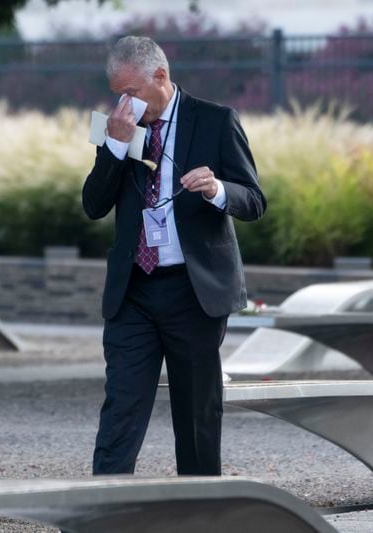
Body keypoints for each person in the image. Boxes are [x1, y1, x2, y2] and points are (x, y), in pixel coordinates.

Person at [83, 36, 266, 476]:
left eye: (131, 92)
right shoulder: (118, 127)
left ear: (160, 76)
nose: (123, 103)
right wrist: (113, 146)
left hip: (193, 290)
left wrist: (218, 188)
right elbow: (94, 204)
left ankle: (200, 514)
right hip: (134, 292)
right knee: (121, 408)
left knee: (196, 413)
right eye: (117, 94)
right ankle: (102, 514)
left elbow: (254, 200)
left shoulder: (216, 121)